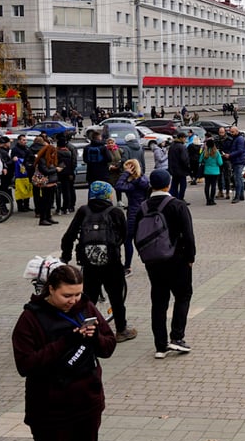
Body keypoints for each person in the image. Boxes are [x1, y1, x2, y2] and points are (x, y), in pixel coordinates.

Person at [11, 263, 116, 441]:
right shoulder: (30, 319)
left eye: (78, 294)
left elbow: (108, 345)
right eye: (66, 295)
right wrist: (68, 341)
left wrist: (94, 340)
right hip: (50, 410)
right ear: (50, 290)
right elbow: (26, 364)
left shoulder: (86, 308)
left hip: (87, 403)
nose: (73, 301)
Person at [61, 182, 136, 343]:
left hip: (89, 263)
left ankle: (85, 329)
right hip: (112, 263)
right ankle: (121, 330)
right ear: (108, 194)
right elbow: (124, 234)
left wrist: (65, 256)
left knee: (88, 299)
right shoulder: (115, 211)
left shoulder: (83, 211)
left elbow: (69, 235)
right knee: (116, 297)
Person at [138, 169, 197, 358]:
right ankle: (177, 338)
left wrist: (145, 256)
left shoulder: (143, 207)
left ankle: (160, 346)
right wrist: (190, 258)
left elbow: (136, 235)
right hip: (177, 259)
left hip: (153, 261)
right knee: (183, 295)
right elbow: (188, 235)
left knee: (159, 301)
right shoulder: (177, 205)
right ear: (168, 184)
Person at [33, 142, 61, 226]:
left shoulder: (49, 160)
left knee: (49, 201)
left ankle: (48, 217)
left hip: (51, 182)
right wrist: (56, 169)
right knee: (45, 201)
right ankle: (43, 218)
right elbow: (45, 171)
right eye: (52, 153)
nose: (53, 155)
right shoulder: (42, 160)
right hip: (45, 183)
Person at [198, 138, 224, 205]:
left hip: (207, 171)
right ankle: (212, 199)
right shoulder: (216, 152)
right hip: (215, 171)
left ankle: (207, 200)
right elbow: (220, 163)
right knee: (213, 185)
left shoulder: (205, 152)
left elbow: (200, 160)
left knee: (207, 185)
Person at [167, 132, 190, 200]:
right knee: (183, 185)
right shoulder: (182, 147)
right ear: (181, 138)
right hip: (181, 170)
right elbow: (184, 159)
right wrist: (188, 167)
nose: (185, 139)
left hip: (173, 169)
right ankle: (180, 199)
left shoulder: (172, 146)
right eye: (184, 138)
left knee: (174, 185)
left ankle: (172, 198)